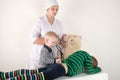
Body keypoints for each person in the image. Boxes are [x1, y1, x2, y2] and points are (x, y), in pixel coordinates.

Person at [0, 50, 101, 80]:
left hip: (55, 64)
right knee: (39, 77)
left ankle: (4, 75)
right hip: (61, 69)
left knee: (33, 71)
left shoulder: (79, 53)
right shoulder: (87, 57)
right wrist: (97, 69)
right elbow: (89, 70)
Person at [27, 0, 65, 69]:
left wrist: (63, 41)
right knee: (33, 75)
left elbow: (59, 41)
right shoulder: (40, 20)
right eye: (53, 9)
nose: (55, 11)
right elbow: (33, 38)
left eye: (57, 9)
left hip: (52, 56)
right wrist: (48, 41)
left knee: (46, 75)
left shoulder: (59, 23)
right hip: (38, 54)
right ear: (47, 9)